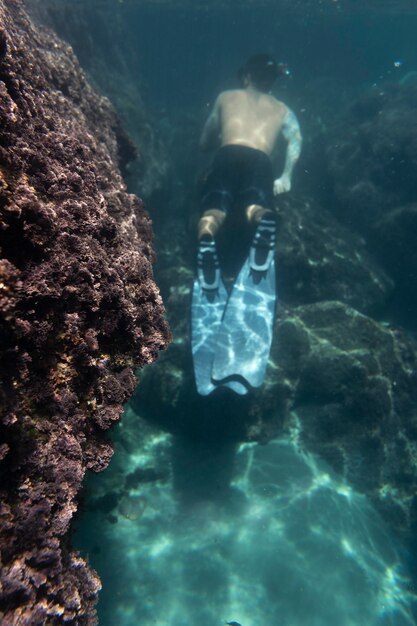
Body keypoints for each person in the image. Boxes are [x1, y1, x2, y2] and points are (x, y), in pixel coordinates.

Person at [196, 53, 302, 290]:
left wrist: (221, 137)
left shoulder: (226, 97)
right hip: (260, 161)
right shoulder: (282, 109)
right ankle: (263, 218)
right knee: (254, 205)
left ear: (246, 75)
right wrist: (286, 176)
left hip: (227, 154)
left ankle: (207, 236)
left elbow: (204, 142)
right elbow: (296, 139)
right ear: (271, 81)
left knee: (214, 209)